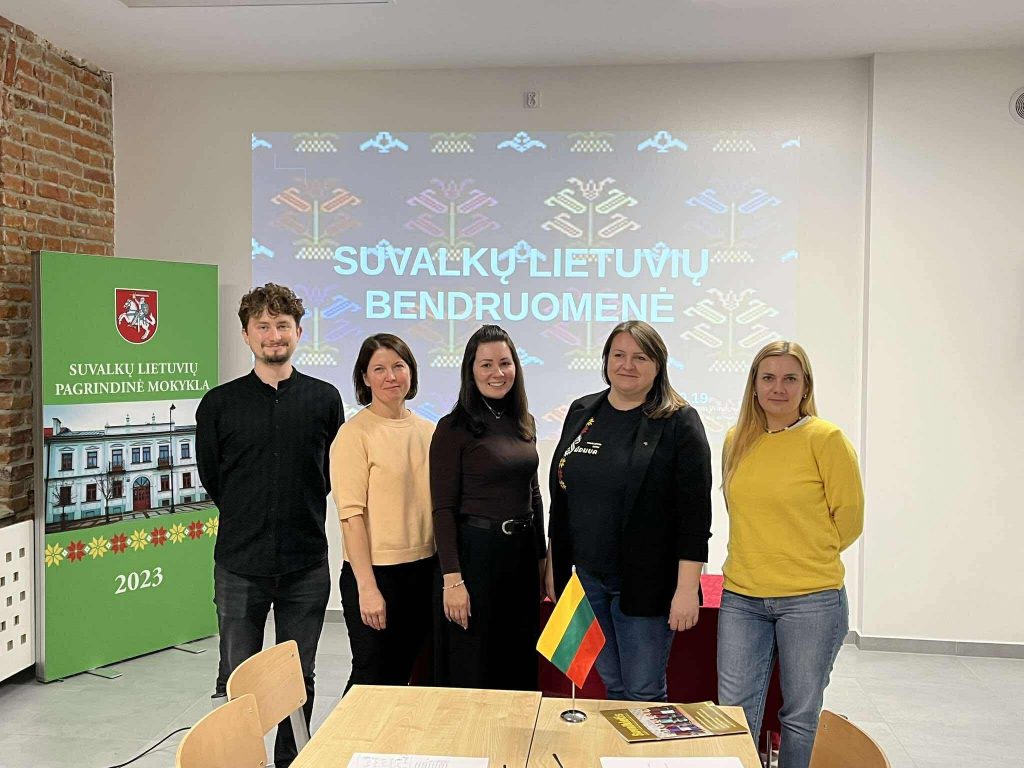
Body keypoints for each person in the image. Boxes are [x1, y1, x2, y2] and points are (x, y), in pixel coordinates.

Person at [196, 283, 344, 768]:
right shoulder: (219, 404)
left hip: (305, 563)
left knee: (298, 677)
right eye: (262, 326)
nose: (273, 335)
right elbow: (214, 477)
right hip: (239, 564)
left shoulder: (324, 399)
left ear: (299, 332)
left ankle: (289, 762)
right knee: (238, 679)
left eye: (282, 325)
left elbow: (328, 473)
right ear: (246, 335)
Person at [545, 320, 712, 702]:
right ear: (606, 360)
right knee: (613, 686)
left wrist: (687, 589)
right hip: (587, 581)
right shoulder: (583, 410)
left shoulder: (679, 422)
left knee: (642, 691)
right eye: (618, 355)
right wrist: (555, 565)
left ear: (658, 365)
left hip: (646, 582)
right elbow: (563, 496)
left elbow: (695, 515)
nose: (627, 365)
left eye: (640, 357)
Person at [717, 340, 864, 768]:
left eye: (789, 379)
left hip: (811, 600)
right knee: (734, 713)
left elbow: (850, 519)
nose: (778, 388)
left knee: (798, 716)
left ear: (805, 386)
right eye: (768, 378)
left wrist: (803, 556)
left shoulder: (826, 439)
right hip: (742, 598)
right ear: (754, 385)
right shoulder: (735, 440)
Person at [430, 325, 545, 690]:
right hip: (475, 558)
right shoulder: (452, 429)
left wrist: (542, 561)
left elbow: (534, 495)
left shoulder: (524, 423)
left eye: (505, 363)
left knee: (518, 663)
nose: (498, 373)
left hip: (521, 559)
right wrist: (452, 580)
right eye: (486, 365)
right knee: (475, 665)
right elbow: (443, 509)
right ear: (471, 370)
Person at [330, 334, 435, 691]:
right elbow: (351, 518)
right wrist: (368, 588)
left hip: (423, 572)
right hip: (375, 575)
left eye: (398, 366)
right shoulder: (354, 435)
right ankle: (345, 732)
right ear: (365, 377)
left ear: (411, 372)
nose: (391, 376)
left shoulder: (429, 431)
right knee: (371, 679)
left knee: (405, 675)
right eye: (379, 369)